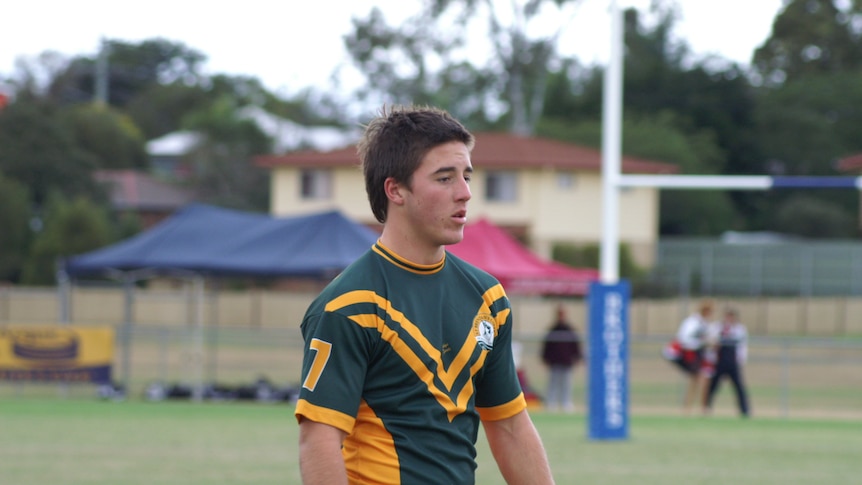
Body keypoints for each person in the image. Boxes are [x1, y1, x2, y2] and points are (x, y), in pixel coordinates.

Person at [295, 105, 555, 485]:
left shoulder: (488, 298)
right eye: (445, 178)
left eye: (467, 176)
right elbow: (318, 441)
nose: (465, 193)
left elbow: (510, 425)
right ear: (395, 189)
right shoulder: (348, 306)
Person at [663, 299, 714, 413]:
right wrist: (702, 343)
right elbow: (684, 339)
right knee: (696, 378)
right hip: (687, 353)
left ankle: (699, 407)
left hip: (698, 353)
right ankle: (689, 407)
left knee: (701, 379)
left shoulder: (706, 324)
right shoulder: (692, 322)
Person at [704, 307, 751, 417]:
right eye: (727, 316)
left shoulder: (740, 330)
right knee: (712, 386)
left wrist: (741, 360)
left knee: (739, 387)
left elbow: (742, 347)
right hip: (719, 361)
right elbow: (710, 342)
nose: (729, 318)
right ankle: (706, 408)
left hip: (732, 362)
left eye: (731, 316)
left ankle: (744, 410)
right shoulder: (716, 327)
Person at [540, 305, 583, 413]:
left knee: (566, 384)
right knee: (553, 383)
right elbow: (547, 347)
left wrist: (577, 357)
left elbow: (575, 346)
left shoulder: (570, 330)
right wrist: (545, 358)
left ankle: (566, 402)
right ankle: (551, 402)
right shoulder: (552, 330)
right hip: (555, 362)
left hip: (566, 362)